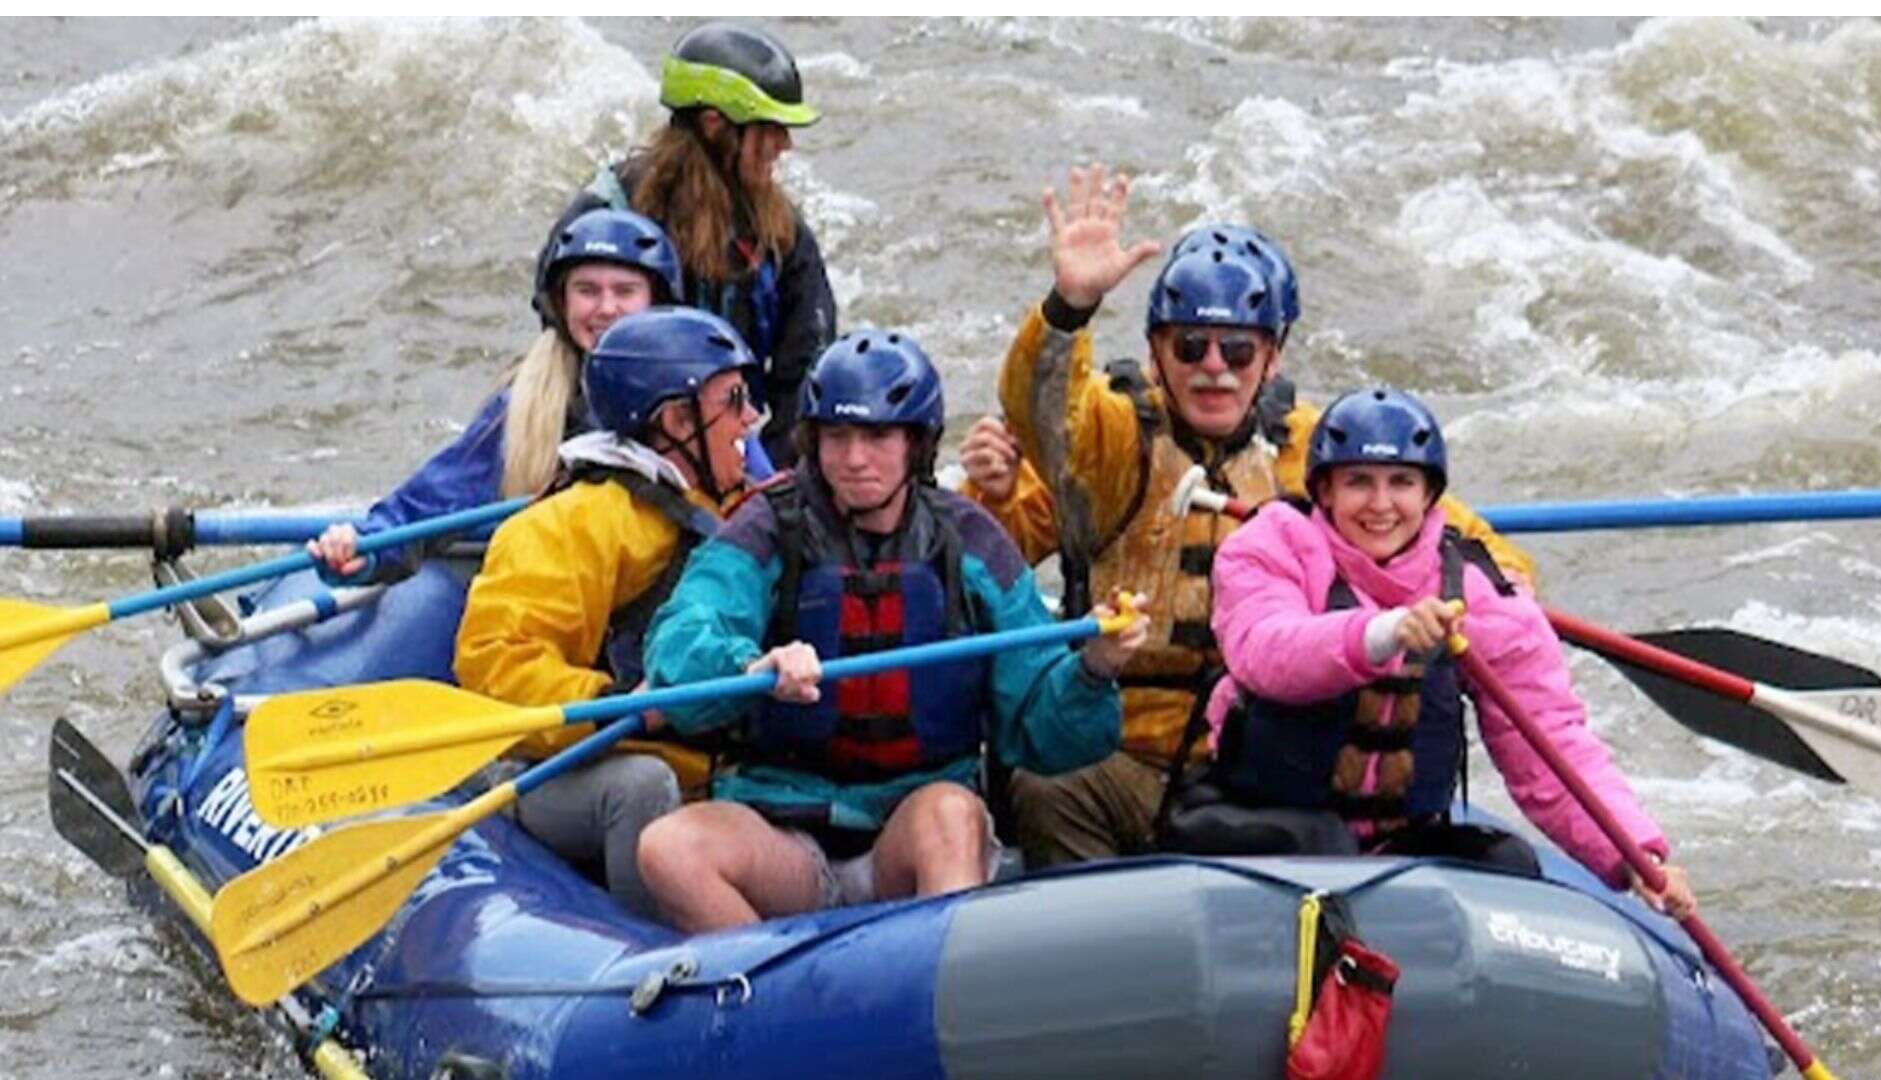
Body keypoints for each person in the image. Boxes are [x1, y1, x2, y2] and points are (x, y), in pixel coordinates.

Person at [960, 164, 1537, 869]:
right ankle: (1090, 945)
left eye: (1238, 349)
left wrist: (1496, 600)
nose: (1214, 369)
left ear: (1272, 356)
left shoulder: (1323, 454)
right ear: (1156, 351)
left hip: (1254, 773)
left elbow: (1461, 547)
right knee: (1049, 787)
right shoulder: (1112, 438)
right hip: (1120, 755)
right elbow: (1042, 409)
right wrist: (1069, 308)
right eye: (1190, 346)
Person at [636, 330, 1148, 932]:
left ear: (916, 444)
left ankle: (933, 990)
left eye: (878, 437)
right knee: (669, 848)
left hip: (909, 834)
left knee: (951, 815)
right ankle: (770, 1002)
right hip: (784, 835)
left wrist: (1093, 669)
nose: (855, 458)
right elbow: (682, 635)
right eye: (838, 437)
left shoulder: (970, 542)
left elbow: (1043, 724)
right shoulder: (766, 527)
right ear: (814, 441)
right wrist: (749, 668)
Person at [1199, 386, 1695, 918]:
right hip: (1257, 828)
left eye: (1402, 484)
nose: (1381, 505)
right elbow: (1267, 653)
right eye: (1358, 483)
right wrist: (1382, 633)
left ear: (1430, 495)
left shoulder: (1477, 589)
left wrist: (1634, 852)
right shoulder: (1269, 546)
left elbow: (1550, 742)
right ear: (1324, 492)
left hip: (1402, 844)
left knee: (1509, 863)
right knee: (1322, 847)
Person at [450, 306, 763, 913]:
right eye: (734, 400)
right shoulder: (573, 524)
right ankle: (650, 952)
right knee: (645, 787)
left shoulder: (736, 507)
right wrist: (617, 704)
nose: (750, 418)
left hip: (706, 766)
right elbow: (497, 673)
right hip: (562, 772)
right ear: (676, 420)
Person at [308, 207, 704, 583]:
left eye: (625, 291)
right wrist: (366, 549)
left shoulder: (705, 396)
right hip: (562, 602)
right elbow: (430, 504)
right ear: (561, 301)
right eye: (587, 290)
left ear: (656, 301)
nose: (606, 308)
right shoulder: (526, 406)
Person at [538, 21, 836, 469]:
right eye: (769, 128)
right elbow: (560, 322)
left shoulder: (783, 235)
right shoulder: (609, 212)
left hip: (731, 446)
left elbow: (805, 373)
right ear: (715, 125)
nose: (784, 144)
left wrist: (771, 484)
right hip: (610, 440)